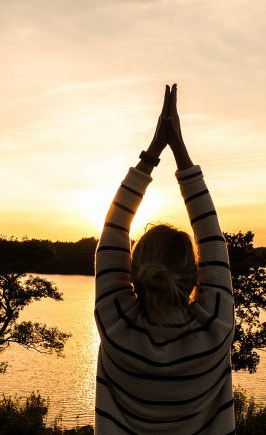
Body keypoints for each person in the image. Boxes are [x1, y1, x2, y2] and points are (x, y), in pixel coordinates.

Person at [94, 84, 235, 434]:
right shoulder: (215, 330)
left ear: (135, 271)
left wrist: (153, 152)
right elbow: (213, 240)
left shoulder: (116, 326)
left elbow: (113, 231)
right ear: (193, 275)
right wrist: (180, 150)